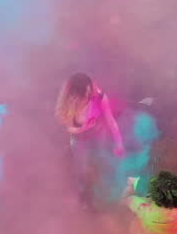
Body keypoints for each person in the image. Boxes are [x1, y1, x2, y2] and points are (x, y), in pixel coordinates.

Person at [54, 72, 125, 206]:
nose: (89, 95)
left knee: (102, 162)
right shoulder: (70, 103)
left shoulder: (99, 96)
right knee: (82, 170)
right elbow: (68, 127)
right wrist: (82, 129)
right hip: (79, 140)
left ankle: (106, 194)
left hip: (98, 136)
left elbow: (110, 120)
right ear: (75, 94)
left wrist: (119, 143)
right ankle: (84, 198)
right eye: (85, 93)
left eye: (89, 90)